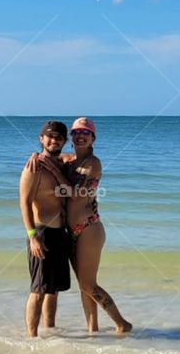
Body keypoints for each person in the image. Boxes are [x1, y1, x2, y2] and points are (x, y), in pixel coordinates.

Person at [32, 117, 132, 335]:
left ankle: (122, 324)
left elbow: (76, 194)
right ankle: (92, 330)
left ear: (93, 138)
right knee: (84, 286)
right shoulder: (67, 161)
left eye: (85, 133)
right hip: (69, 231)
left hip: (89, 229)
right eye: (76, 132)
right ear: (71, 138)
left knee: (88, 285)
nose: (80, 136)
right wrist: (36, 156)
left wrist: (56, 172)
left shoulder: (93, 163)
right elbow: (48, 157)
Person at [19, 120, 71, 338]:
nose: (53, 140)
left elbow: (68, 192)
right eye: (49, 136)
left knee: (54, 291)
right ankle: (31, 339)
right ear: (41, 139)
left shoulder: (63, 163)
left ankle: (51, 333)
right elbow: (24, 202)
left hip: (60, 234)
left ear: (64, 141)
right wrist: (32, 236)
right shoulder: (33, 167)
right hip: (42, 233)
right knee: (39, 290)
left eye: (59, 137)